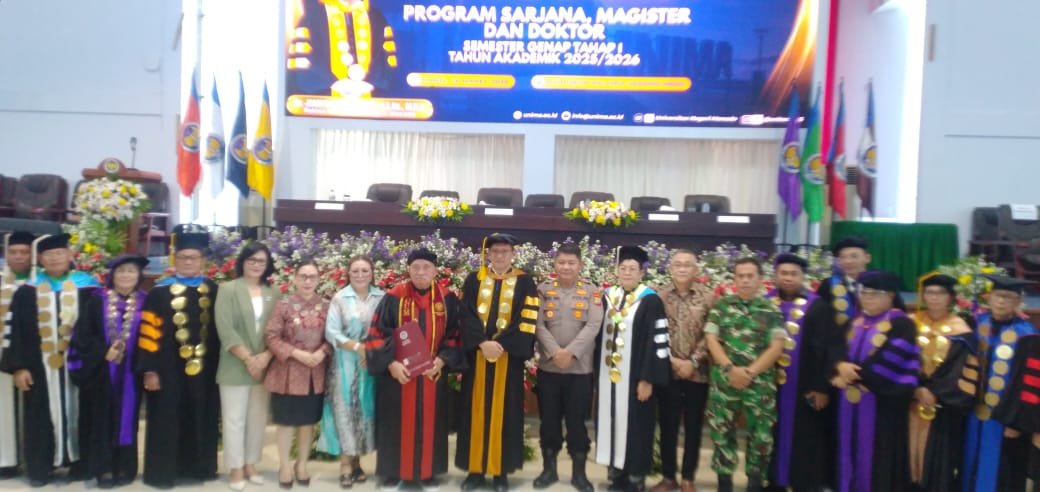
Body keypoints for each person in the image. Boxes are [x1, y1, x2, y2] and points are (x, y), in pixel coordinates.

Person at [1, 233, 100, 487]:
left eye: (59, 253)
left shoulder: (88, 287)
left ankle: (80, 465)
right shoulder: (27, 292)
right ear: (41, 260)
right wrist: (19, 367)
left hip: (79, 366)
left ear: (69, 256)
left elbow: (98, 328)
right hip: (39, 369)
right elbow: (16, 332)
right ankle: (41, 468)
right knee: (39, 416)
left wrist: (94, 362)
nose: (55, 258)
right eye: (48, 255)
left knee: (83, 413)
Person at [365, 248, 464, 490]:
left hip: (432, 374)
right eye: (416, 267)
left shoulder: (447, 299)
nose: (421, 272)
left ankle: (428, 470)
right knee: (395, 423)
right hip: (399, 376)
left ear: (435, 270)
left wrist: (442, 360)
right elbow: (376, 334)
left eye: (426, 267)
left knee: (431, 423)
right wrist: (391, 364)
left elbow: (456, 334)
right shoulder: (393, 297)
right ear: (408, 269)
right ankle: (393, 470)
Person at [136, 227, 221, 489]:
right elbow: (148, 334)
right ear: (174, 259)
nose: (188, 262)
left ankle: (199, 469)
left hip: (204, 371)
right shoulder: (158, 293)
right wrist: (150, 370)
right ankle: (163, 473)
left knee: (201, 416)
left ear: (203, 260)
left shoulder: (214, 290)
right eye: (183, 257)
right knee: (166, 419)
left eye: (193, 257)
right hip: (167, 370)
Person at [456, 233, 539, 492]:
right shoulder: (474, 279)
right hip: (478, 358)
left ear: (513, 254)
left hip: (508, 359)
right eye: (495, 251)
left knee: (506, 414)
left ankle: (500, 471)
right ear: (488, 254)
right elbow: (465, 314)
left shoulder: (525, 282)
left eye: (505, 251)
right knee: (474, 412)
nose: (500, 255)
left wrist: (501, 344)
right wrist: (482, 342)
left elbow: (526, 318)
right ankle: (475, 471)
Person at [830, 270, 919, 492]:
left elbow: (890, 361)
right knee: (847, 449)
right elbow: (834, 348)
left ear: (890, 296)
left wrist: (850, 377)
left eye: (874, 294)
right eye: (864, 292)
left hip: (881, 406)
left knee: (877, 460)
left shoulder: (902, 324)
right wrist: (839, 366)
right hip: (848, 404)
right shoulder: (855, 321)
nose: (867, 298)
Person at [68, 255, 149, 488]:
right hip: (102, 371)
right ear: (112, 275)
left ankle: (124, 466)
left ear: (138, 275)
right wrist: (103, 351)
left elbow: (153, 336)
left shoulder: (146, 301)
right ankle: (103, 468)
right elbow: (83, 335)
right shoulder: (96, 300)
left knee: (128, 418)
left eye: (131, 271)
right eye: (121, 271)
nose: (126, 275)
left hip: (132, 371)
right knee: (101, 418)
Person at [704, 257, 784, 492]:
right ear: (735, 279)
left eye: (750, 276)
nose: (745, 280)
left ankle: (755, 483)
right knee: (721, 432)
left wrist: (749, 372)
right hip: (725, 381)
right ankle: (724, 483)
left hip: (759, 384)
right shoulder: (722, 306)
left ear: (760, 279)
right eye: (741, 276)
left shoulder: (771, 310)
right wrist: (730, 369)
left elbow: (777, 347)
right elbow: (711, 339)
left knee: (761, 436)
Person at [595, 245, 671, 492]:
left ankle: (635, 479)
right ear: (617, 271)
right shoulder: (608, 297)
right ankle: (617, 475)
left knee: (636, 427)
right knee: (611, 423)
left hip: (636, 379)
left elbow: (656, 341)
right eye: (623, 268)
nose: (627, 272)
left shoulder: (650, 300)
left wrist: (647, 379)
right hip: (609, 378)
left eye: (632, 269)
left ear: (641, 273)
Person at [533, 243, 603, 492]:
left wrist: (571, 352)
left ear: (580, 265)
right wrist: (555, 352)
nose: (566, 267)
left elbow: (594, 325)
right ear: (555, 263)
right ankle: (549, 470)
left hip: (579, 371)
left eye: (571, 263)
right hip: (549, 370)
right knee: (549, 422)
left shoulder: (592, 292)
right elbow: (538, 324)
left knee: (577, 424)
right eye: (561, 262)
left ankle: (579, 474)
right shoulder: (543, 290)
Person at [765, 253, 835, 492]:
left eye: (794, 274)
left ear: (803, 277)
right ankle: (774, 482)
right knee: (770, 434)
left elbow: (826, 350)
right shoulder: (765, 303)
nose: (788, 278)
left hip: (804, 387)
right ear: (775, 275)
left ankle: (802, 484)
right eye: (783, 273)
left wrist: (821, 387)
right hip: (769, 386)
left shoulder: (818, 307)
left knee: (805, 437)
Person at [962, 275, 1038, 492]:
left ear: (1018, 302)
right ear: (989, 298)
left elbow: (1027, 384)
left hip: (1005, 419)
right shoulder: (978, 324)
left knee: (1003, 472)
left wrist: (1016, 422)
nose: (1002, 301)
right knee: (969, 462)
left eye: (1008, 297)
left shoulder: (1027, 334)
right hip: (972, 413)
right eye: (998, 296)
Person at [215, 242, 278, 490]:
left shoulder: (274, 293)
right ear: (242, 262)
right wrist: (249, 359)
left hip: (264, 365)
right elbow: (225, 328)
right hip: (235, 364)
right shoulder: (228, 289)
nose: (256, 265)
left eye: (261, 261)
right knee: (234, 420)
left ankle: (251, 464)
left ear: (267, 265)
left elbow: (278, 330)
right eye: (252, 260)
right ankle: (236, 468)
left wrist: (266, 357)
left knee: (257, 419)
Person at [651, 249, 715, 492]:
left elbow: (711, 334)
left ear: (695, 270)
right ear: (670, 268)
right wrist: (671, 360)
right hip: (667, 371)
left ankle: (688, 477)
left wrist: (693, 362)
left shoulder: (708, 297)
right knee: (667, 425)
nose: (682, 268)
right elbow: (654, 330)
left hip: (697, 374)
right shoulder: (659, 296)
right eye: (677, 264)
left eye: (687, 264)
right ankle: (668, 477)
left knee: (693, 426)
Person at [906, 273, 977, 492]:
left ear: (951, 298)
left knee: (937, 462)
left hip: (941, 409)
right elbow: (899, 360)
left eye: (941, 293)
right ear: (923, 295)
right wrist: (915, 388)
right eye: (929, 292)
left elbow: (959, 370)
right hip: (907, 403)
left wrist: (933, 392)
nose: (934, 297)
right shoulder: (909, 323)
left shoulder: (961, 331)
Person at [264, 260, 331, 489]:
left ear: (319, 279)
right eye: (303, 276)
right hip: (287, 373)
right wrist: (297, 354)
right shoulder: (283, 305)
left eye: (312, 276)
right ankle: (284, 465)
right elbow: (271, 337)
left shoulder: (327, 305)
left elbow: (334, 335)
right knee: (285, 422)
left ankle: (301, 464)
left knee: (307, 423)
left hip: (315, 373)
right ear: (294, 278)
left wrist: (322, 352)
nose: (307, 281)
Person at [320, 256, 384, 488]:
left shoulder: (381, 297)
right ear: (348, 273)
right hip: (344, 364)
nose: (360, 274)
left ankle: (357, 463)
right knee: (345, 412)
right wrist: (359, 348)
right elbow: (332, 332)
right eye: (355, 270)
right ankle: (345, 465)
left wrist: (372, 351)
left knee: (364, 412)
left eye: (365, 270)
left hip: (370, 366)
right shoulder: (340, 298)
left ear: (372, 273)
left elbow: (388, 329)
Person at [0, 231, 35, 478]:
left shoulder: (40, 282)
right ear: (6, 254)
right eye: (13, 252)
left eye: (24, 252)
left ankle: (33, 458)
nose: (19, 257)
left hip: (31, 355)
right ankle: (6, 460)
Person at [818, 236, 871, 328]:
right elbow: (819, 318)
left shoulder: (880, 284)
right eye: (842, 257)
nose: (848, 261)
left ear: (867, 258)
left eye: (854, 256)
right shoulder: (828, 285)